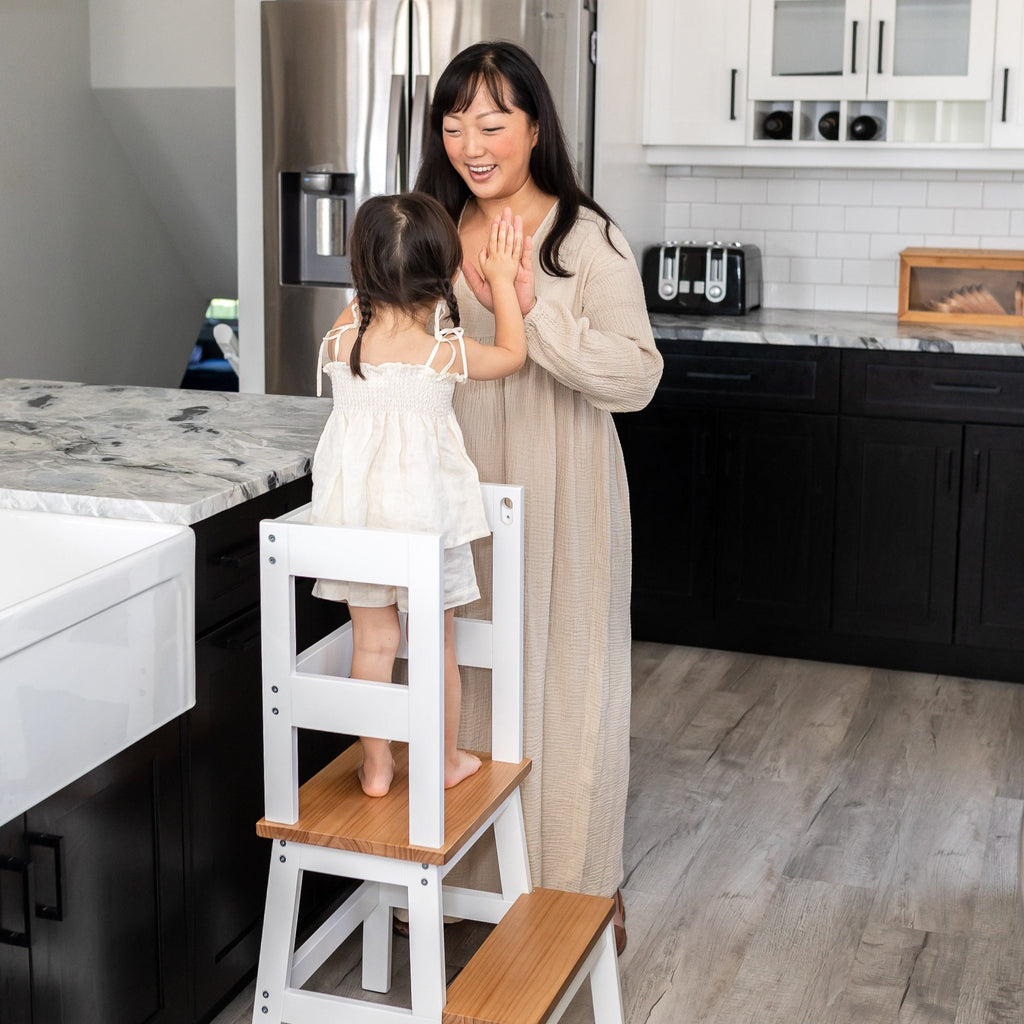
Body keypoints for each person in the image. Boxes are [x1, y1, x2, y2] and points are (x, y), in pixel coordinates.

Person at [415, 41, 663, 953]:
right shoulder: (431, 229)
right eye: (453, 125)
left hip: (561, 483)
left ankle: (577, 892)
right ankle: (462, 889)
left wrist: (532, 305)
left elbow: (636, 378)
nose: (471, 145)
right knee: (463, 678)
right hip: (456, 480)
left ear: (533, 127)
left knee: (567, 683)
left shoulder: (582, 237)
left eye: (492, 122)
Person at [309, 192, 528, 798]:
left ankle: (377, 766)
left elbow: (374, 293)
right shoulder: (442, 353)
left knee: (374, 641)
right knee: (438, 640)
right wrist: (503, 281)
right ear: (447, 272)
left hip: (354, 519)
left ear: (363, 270)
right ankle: (445, 758)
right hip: (425, 521)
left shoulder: (342, 335)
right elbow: (514, 353)